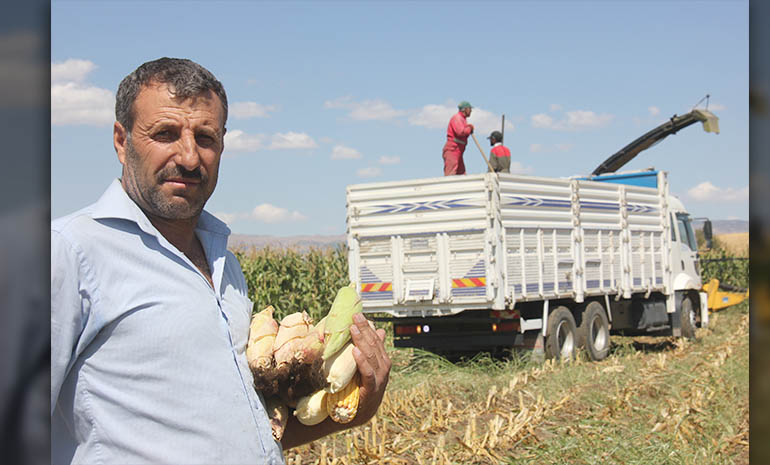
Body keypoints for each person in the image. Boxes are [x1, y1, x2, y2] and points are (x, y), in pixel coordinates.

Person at [51, 57, 391, 465]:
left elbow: (246, 434)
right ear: (122, 142)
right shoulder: (68, 252)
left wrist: (359, 407)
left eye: (206, 138)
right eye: (165, 134)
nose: (190, 157)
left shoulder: (224, 267)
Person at [441, 101, 474, 175]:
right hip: (453, 149)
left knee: (461, 174)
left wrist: (468, 128)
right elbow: (460, 132)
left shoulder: (463, 119)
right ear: (464, 109)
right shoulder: (457, 118)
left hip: (458, 150)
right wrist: (469, 128)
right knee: (451, 174)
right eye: (469, 109)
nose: (471, 111)